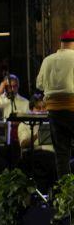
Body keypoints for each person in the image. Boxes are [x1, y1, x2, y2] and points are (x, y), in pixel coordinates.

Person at [35, 29, 74, 179]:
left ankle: (65, 192)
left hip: (55, 112)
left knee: (61, 154)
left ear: (62, 44)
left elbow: (39, 84)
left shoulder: (48, 60)